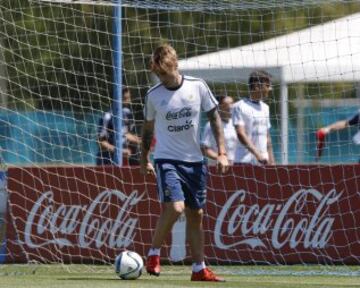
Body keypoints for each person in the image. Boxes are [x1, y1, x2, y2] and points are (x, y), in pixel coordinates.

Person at [140, 44, 229, 282]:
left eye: (165, 73)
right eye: (158, 74)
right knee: (176, 207)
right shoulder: (153, 95)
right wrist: (144, 159)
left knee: (196, 213)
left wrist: (221, 152)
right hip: (166, 159)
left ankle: (199, 269)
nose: (163, 78)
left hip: (195, 162)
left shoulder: (197, 86)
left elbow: (214, 118)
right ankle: (154, 253)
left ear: (175, 66)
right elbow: (147, 131)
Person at [232, 70, 275, 165]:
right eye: (267, 86)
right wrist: (257, 155)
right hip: (244, 162)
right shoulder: (239, 106)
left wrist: (272, 161)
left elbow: (267, 137)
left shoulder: (265, 107)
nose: (270, 89)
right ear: (256, 86)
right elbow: (240, 133)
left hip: (264, 161)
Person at [96, 87, 141, 165]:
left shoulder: (128, 114)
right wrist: (120, 151)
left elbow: (126, 134)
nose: (129, 101)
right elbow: (101, 142)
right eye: (126, 98)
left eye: (129, 98)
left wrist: (141, 141)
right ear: (117, 99)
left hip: (124, 161)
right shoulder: (108, 116)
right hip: (107, 161)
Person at [201, 95, 239, 165]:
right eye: (227, 104)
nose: (230, 107)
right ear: (219, 107)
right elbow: (204, 149)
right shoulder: (210, 125)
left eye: (232, 103)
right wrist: (222, 158)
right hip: (216, 167)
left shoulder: (235, 123)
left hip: (235, 166)